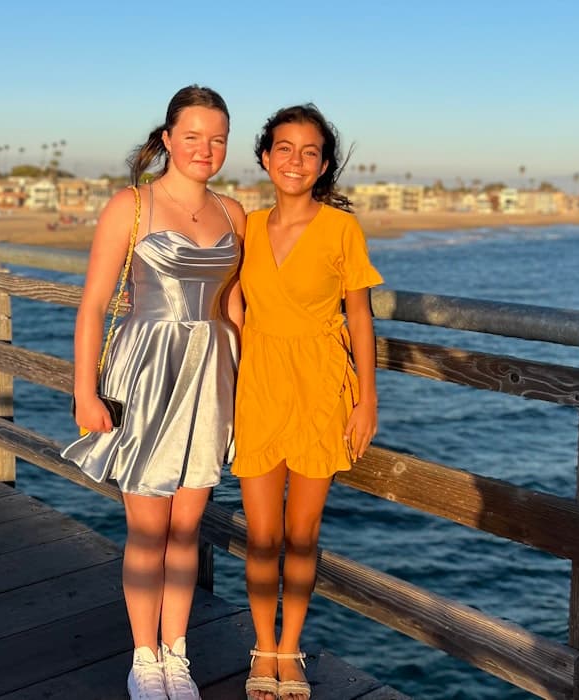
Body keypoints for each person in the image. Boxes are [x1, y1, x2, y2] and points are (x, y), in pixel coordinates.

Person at [61, 85, 245, 700]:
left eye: (217, 137)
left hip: (210, 379)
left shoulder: (233, 212)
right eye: (192, 135)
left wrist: (243, 392)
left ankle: (177, 655)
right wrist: (84, 392)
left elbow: (235, 309)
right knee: (148, 529)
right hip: (145, 376)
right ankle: (144, 659)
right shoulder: (130, 205)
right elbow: (91, 308)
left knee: (187, 528)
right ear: (167, 138)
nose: (205, 148)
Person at [232, 105, 383, 700]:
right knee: (262, 535)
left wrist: (366, 400)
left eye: (310, 151)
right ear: (266, 157)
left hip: (322, 388)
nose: (296, 160)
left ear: (324, 164)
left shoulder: (341, 229)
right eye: (285, 148)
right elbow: (225, 303)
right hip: (259, 384)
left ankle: (289, 647)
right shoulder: (245, 224)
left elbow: (360, 318)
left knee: (302, 532)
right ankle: (260, 648)